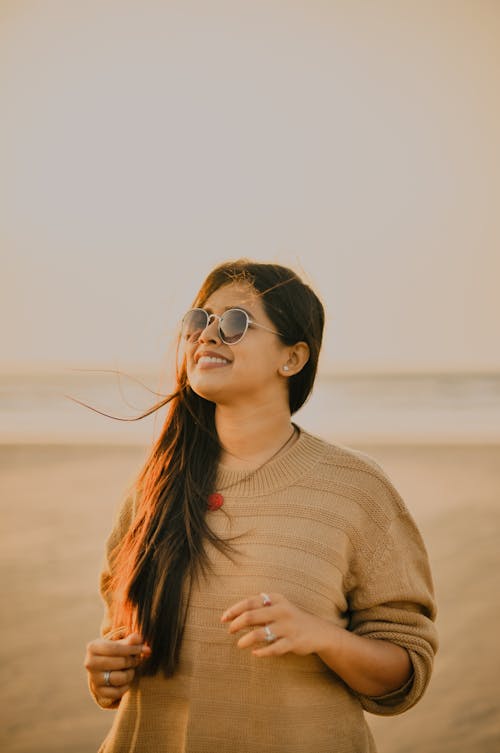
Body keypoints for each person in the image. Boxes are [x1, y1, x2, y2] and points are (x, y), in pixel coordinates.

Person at [84, 260, 438, 753]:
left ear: (292, 358)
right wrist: (106, 674)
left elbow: (404, 673)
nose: (207, 336)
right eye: (198, 321)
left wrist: (321, 636)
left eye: (233, 323)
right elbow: (118, 643)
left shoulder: (357, 488)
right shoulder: (154, 487)